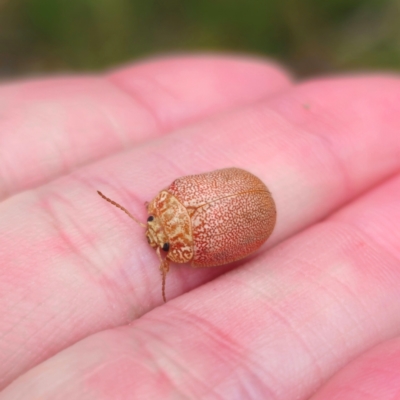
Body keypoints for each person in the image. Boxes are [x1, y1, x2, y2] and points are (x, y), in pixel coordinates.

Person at [0, 54, 399, 399]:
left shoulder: (192, 240)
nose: (152, 233)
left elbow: (221, 249)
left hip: (251, 209)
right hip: (247, 201)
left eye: (155, 227)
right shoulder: (177, 209)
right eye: (153, 224)